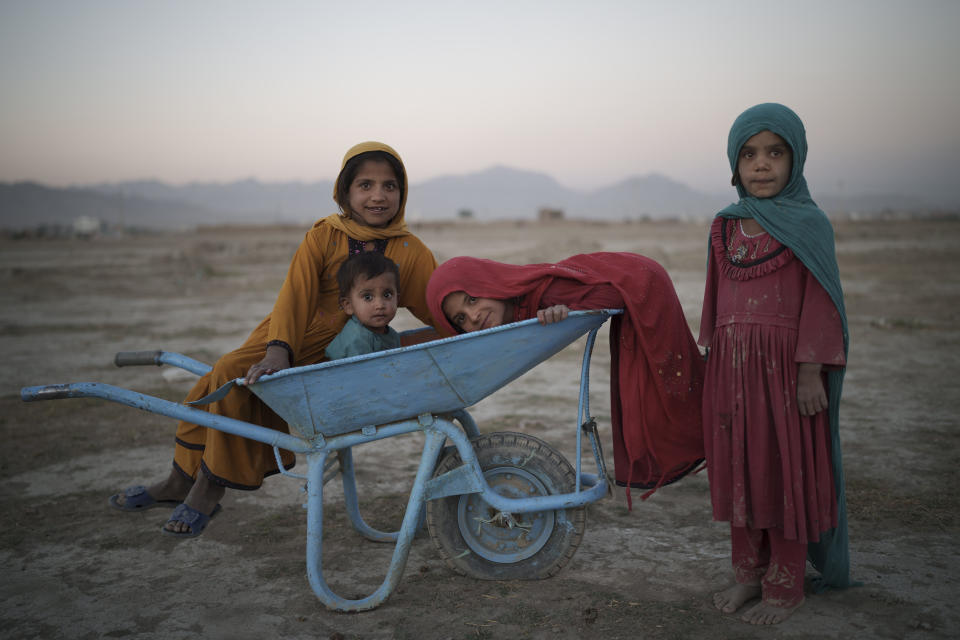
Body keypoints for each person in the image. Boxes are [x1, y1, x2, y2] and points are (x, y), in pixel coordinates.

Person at [109, 141, 438, 537]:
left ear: (402, 193)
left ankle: (206, 489)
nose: (378, 196)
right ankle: (181, 480)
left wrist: (483, 319)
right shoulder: (324, 236)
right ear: (345, 192)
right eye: (365, 185)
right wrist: (279, 350)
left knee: (229, 376)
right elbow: (294, 295)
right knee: (219, 378)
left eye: (389, 186)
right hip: (288, 333)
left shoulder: (410, 251)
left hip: (337, 355)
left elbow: (437, 305)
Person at [699, 103, 852, 625]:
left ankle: (785, 585)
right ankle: (748, 573)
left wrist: (812, 370)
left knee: (785, 473)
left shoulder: (810, 225)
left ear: (796, 159)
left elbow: (822, 300)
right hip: (732, 373)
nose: (761, 165)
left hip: (786, 376)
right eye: (748, 154)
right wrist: (714, 362)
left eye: (775, 152)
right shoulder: (725, 226)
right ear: (734, 164)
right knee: (741, 468)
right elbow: (716, 302)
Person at [426, 252, 705, 505]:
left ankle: (704, 435)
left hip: (641, 281)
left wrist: (568, 308)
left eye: (472, 299)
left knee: (670, 382)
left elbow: (608, 295)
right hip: (634, 272)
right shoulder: (518, 307)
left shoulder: (546, 292)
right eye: (460, 319)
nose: (473, 316)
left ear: (490, 282)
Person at [325, 251, 401, 360]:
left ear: (397, 299)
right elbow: (363, 375)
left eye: (387, 295)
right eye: (368, 297)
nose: (379, 305)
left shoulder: (392, 335)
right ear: (348, 305)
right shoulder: (356, 340)